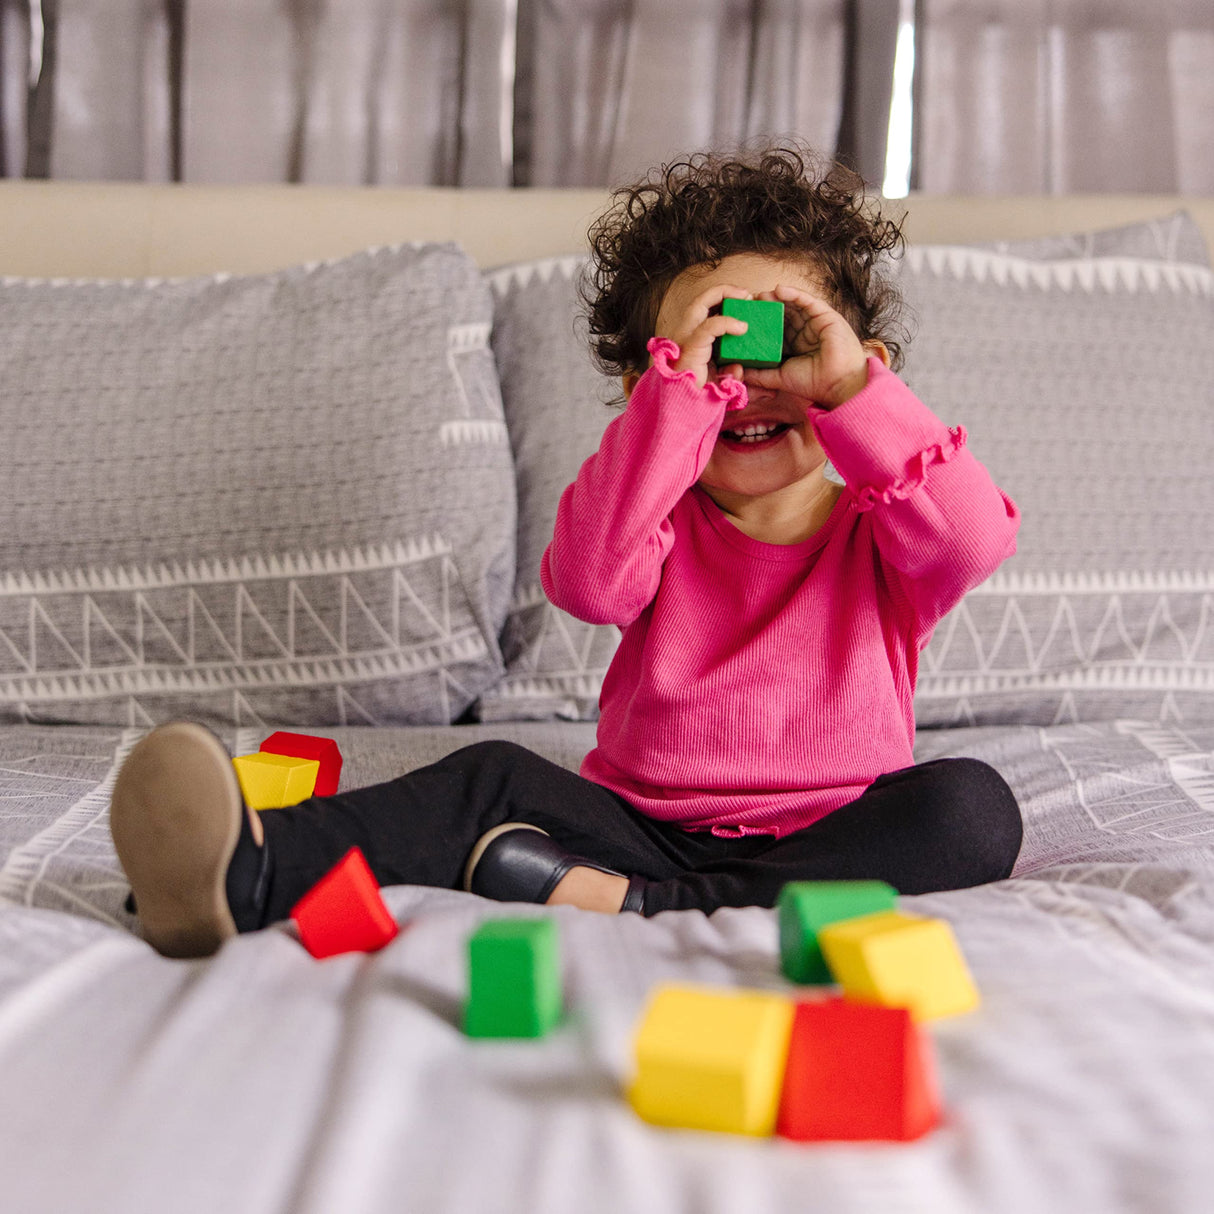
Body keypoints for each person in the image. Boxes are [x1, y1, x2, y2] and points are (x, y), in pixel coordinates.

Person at [110, 143, 1023, 959]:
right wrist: (676, 409)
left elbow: (975, 538)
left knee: (972, 808)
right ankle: (245, 870)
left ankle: (649, 909)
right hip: (634, 823)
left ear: (865, 372)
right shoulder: (652, 519)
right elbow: (588, 584)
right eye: (711, 355)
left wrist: (846, 385)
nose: (744, 387)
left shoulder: (893, 528)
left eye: (781, 344)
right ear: (650, 390)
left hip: (836, 830)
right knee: (488, 776)